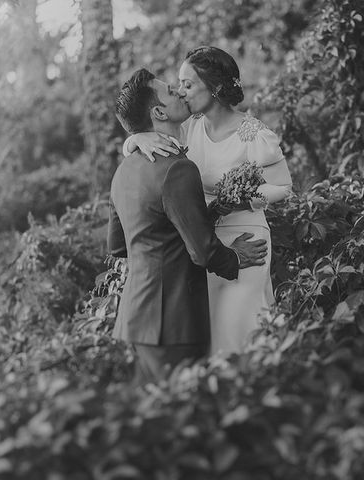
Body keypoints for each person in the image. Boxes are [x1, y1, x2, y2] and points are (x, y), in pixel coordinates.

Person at [123, 46, 292, 354]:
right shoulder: (190, 129)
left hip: (247, 236)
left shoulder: (253, 133)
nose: (181, 91)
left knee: (240, 324)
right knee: (215, 335)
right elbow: (149, 128)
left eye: (188, 84)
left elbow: (283, 185)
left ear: (214, 88)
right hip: (209, 245)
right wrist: (135, 139)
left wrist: (245, 194)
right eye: (179, 84)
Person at [108, 68, 268, 385]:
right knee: (183, 413)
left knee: (156, 416)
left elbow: (118, 245)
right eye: (170, 90)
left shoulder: (124, 171)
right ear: (158, 112)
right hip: (174, 321)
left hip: (135, 318)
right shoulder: (178, 168)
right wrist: (235, 257)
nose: (180, 91)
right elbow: (203, 252)